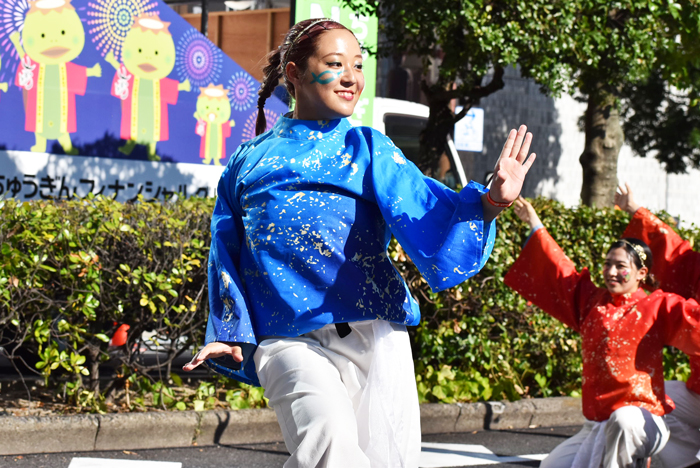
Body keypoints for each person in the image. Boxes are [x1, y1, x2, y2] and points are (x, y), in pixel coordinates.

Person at [182, 18, 537, 468]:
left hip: (375, 336)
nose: (351, 77)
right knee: (330, 445)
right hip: (286, 341)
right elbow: (225, 250)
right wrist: (229, 332)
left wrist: (490, 202)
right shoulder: (248, 162)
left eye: (357, 64)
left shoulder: (370, 149)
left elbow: (430, 214)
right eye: (334, 63)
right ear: (293, 73)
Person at [505, 196, 700, 468]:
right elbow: (561, 270)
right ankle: (685, 462)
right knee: (551, 466)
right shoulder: (591, 302)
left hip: (640, 417)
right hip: (598, 422)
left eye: (621, 267)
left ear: (641, 273)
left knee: (624, 421)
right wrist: (535, 223)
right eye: (608, 264)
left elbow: (694, 319)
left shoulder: (657, 306)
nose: (610, 272)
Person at [616, 183, 700, 468]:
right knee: (645, 396)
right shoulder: (696, 266)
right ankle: (687, 462)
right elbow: (674, 255)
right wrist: (635, 211)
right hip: (698, 390)